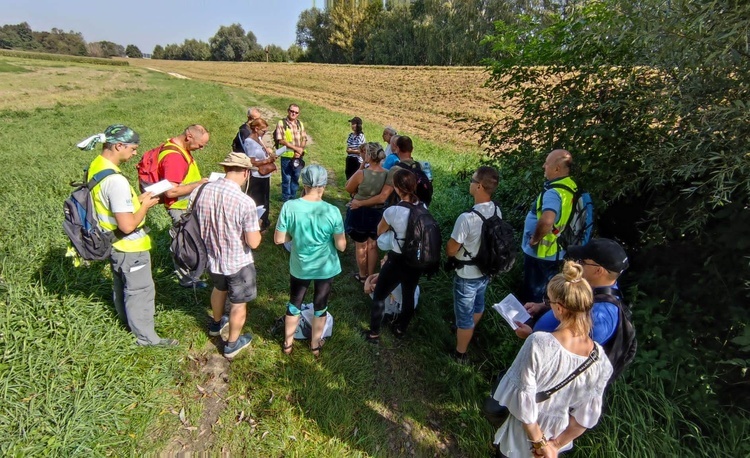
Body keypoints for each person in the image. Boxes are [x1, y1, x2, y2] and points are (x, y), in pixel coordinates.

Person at [491, 261, 613, 457]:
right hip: (558, 439)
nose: (547, 305)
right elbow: (585, 417)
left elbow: (524, 402)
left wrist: (539, 443)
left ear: (560, 308)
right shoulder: (600, 361)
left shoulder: (538, 343)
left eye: (549, 301)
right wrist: (554, 446)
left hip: (523, 438)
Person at [76, 124, 177, 347]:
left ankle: (126, 323)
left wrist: (137, 200)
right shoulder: (116, 181)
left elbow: (110, 205)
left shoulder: (97, 167)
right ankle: (147, 339)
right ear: (118, 145)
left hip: (111, 241)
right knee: (140, 291)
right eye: (132, 148)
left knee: (121, 285)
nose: (135, 153)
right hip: (130, 246)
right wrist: (146, 206)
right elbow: (128, 224)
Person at [190, 152, 261, 360]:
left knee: (219, 288)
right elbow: (253, 242)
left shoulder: (201, 190)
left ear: (225, 169)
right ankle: (232, 344)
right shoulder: (244, 201)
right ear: (246, 173)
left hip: (212, 256)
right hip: (237, 261)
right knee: (239, 302)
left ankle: (216, 323)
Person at [274, 165, 346, 357]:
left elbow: (279, 239)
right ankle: (315, 345)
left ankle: (288, 344)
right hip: (325, 267)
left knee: (294, 303)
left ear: (303, 184)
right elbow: (341, 246)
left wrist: (294, 236)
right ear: (323, 185)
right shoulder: (332, 211)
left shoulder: (289, 206)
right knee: (320, 305)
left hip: (300, 265)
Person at [515, 238, 629, 346]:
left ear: (598, 270)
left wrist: (531, 336)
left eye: (582, 261)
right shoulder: (593, 287)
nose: (576, 264)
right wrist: (544, 306)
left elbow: (568, 354)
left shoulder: (599, 318)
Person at [445, 166, 500, 362]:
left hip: (467, 274)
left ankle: (460, 353)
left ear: (478, 186)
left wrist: (449, 250)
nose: (470, 183)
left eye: (472, 180)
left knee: (464, 316)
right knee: (478, 305)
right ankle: (466, 331)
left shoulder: (467, 218)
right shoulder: (497, 210)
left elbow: (452, 249)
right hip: (486, 270)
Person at [362, 168, 424, 343]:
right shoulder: (422, 207)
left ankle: (374, 333)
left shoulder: (393, 211)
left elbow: (379, 231)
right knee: (409, 294)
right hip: (416, 260)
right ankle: (400, 329)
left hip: (397, 259)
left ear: (396, 188)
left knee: (380, 295)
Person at [521, 149, 578, 303]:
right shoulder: (570, 186)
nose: (543, 166)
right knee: (548, 294)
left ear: (557, 168)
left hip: (542, 253)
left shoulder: (553, 193)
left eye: (546, 163)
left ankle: (528, 324)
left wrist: (534, 240)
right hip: (557, 251)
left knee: (534, 297)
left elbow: (547, 220)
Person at [159, 124, 210, 288]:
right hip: (180, 208)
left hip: (186, 206)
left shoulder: (180, 149)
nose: (201, 149)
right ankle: (186, 280)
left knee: (189, 241)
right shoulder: (175, 157)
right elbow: (171, 192)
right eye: (200, 145)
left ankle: (193, 274)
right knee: (184, 244)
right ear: (189, 137)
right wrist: (199, 184)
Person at [345, 142, 388, 282]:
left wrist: (362, 165)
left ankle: (362, 275)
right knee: (372, 244)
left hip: (360, 212)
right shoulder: (387, 174)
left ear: (369, 155)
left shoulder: (361, 173)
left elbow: (348, 188)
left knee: (361, 245)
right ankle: (370, 275)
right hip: (378, 212)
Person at [350, 135, 415, 210]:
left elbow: (382, 197)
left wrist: (359, 203)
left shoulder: (395, 169)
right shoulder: (418, 166)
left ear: (397, 148)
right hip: (416, 208)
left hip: (398, 209)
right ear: (412, 149)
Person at [241, 118, 277, 231]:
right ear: (256, 129)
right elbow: (251, 161)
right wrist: (267, 161)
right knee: (257, 201)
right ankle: (255, 225)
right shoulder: (249, 142)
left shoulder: (259, 138)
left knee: (265, 199)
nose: (264, 132)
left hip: (265, 175)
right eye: (263, 130)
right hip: (256, 176)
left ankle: (264, 222)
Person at [274, 103, 307, 201]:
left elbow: (304, 139)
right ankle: (286, 198)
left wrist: (299, 150)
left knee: (296, 178)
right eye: (292, 111)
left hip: (298, 156)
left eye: (296, 112)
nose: (293, 114)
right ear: (288, 111)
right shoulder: (281, 123)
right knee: (286, 178)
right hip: (287, 155)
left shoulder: (300, 124)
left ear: (298, 114)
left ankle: (293, 197)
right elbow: (281, 140)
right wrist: (295, 149)